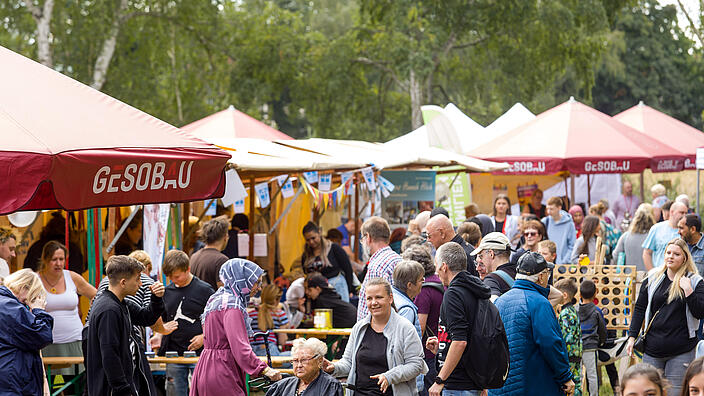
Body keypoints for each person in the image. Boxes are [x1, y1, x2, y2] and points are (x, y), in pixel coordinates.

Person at [85, 250, 176, 396]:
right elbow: (110, 355)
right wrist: (123, 389)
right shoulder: (109, 310)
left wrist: (156, 298)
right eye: (138, 279)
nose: (140, 284)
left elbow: (146, 317)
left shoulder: (122, 303)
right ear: (123, 282)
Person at [190, 259, 282, 395]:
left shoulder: (216, 299)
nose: (259, 288)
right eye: (256, 282)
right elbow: (239, 347)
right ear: (242, 280)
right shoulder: (232, 305)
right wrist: (265, 369)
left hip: (206, 367)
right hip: (222, 371)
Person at [324, 277, 427, 395]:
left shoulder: (405, 328)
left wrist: (389, 377)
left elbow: (416, 365)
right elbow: (348, 363)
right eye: (369, 298)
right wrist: (333, 367)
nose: (373, 303)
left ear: (390, 298)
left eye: (379, 297)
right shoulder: (359, 328)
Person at [627, 238, 704, 395]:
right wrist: (631, 336)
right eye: (668, 253)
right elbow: (640, 308)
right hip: (652, 349)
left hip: (681, 350)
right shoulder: (652, 278)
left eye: (676, 254)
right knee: (650, 391)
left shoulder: (695, 282)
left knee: (675, 393)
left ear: (684, 258)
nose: (671, 256)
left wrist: (688, 291)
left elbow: (700, 313)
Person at [491, 252, 574, 396]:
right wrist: (565, 377)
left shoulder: (500, 301)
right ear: (541, 277)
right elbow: (550, 343)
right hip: (532, 386)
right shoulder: (539, 303)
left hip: (500, 386)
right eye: (547, 273)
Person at [426, 242, 489, 396]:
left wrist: (440, 380)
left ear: (444, 266)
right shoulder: (473, 288)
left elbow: (460, 342)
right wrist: (442, 348)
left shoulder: (454, 293)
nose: (436, 271)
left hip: (458, 384)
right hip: (472, 379)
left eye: (437, 266)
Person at [155, 249, 215, 396]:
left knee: (203, 391)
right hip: (173, 353)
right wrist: (158, 334)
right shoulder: (166, 292)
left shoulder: (205, 290)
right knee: (174, 392)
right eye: (170, 277)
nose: (173, 281)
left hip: (200, 354)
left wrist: (204, 336)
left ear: (187, 269)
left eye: (177, 276)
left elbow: (216, 321)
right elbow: (162, 319)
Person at [38, 241, 96, 379]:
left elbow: (97, 295)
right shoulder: (35, 279)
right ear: (45, 260)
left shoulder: (72, 277)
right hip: (47, 344)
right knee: (52, 386)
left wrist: (91, 318)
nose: (58, 263)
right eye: (54, 259)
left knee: (77, 383)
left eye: (61, 259)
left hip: (74, 340)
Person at [0, 269, 53, 395]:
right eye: (29, 298)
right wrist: (39, 311)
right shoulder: (10, 307)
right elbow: (42, 335)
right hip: (12, 380)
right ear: (24, 287)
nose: (28, 304)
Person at [404, 245, 442, 394]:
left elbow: (420, 326)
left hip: (428, 354)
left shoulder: (423, 289)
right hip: (439, 349)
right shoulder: (439, 282)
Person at [357, 216, 402, 320]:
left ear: (368, 237)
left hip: (377, 331)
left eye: (362, 239)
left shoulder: (377, 266)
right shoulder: (397, 259)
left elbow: (373, 308)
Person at [265, 338, 343, 396]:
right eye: (295, 360)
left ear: (319, 361)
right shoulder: (283, 386)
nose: (299, 365)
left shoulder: (330, 386)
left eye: (304, 360)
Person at [301, 221, 354, 303]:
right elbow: (305, 273)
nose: (311, 242)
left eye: (313, 238)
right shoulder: (306, 255)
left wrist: (350, 289)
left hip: (337, 287)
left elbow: (348, 269)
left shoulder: (334, 248)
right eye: (308, 240)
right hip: (317, 293)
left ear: (319, 232)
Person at [555, 278, 582, 396]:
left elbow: (567, 339)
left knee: (570, 387)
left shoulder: (566, 314)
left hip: (569, 357)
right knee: (576, 384)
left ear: (564, 295)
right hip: (575, 355)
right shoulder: (572, 310)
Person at [579, 279, 607, 396]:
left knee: (579, 374)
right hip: (591, 347)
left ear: (579, 295)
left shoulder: (575, 310)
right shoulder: (597, 311)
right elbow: (602, 329)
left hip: (577, 348)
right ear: (596, 293)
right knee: (592, 375)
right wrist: (601, 342)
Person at [248, 284, 291, 357]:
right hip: (270, 352)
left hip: (252, 353)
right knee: (296, 358)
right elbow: (282, 341)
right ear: (277, 300)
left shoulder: (250, 314)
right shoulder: (279, 314)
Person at [643, 202, 688, 270]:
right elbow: (647, 253)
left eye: (686, 213)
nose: (684, 216)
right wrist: (652, 273)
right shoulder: (657, 228)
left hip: (679, 275)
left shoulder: (686, 231)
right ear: (672, 212)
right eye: (681, 213)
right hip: (659, 273)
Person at [190, 216, 230, 291]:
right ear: (225, 237)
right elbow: (223, 291)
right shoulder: (221, 260)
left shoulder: (194, 256)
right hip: (211, 302)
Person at [473, 232, 514, 301]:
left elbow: (493, 307)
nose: (481, 260)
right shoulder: (519, 273)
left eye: (481, 256)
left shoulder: (491, 280)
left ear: (491, 254)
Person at [615, 204, 655, 272]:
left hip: (629, 278)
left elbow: (616, 256)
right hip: (648, 277)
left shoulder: (625, 236)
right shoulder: (653, 236)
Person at [542, 196, 576, 264]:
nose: (548, 212)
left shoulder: (569, 223)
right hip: (547, 263)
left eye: (551, 209)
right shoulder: (545, 221)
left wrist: (565, 261)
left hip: (564, 264)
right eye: (547, 209)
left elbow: (572, 245)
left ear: (559, 207)